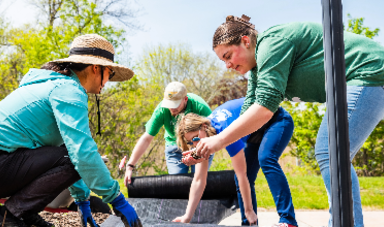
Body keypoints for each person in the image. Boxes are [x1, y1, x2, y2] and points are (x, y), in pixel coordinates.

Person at [194, 15, 384, 227]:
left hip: (368, 72)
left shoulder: (272, 43)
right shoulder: (258, 67)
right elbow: (250, 110)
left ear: (246, 41)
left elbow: (264, 109)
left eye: (228, 56)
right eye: (223, 61)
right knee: (332, 152)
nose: (227, 65)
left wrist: (219, 140)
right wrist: (208, 145)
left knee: (331, 151)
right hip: (361, 79)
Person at [0, 34, 141, 227]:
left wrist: (83, 201)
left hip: (8, 161)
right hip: (4, 162)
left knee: (68, 155)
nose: (109, 80)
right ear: (96, 68)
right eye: (111, 73)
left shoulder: (51, 83)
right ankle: (11, 215)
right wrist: (117, 199)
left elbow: (66, 152)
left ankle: (23, 212)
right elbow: (81, 154)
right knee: (77, 156)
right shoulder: (69, 91)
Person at [177, 98, 297, 226]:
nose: (195, 144)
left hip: (278, 120)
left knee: (266, 158)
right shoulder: (206, 134)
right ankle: (249, 224)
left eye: (195, 138)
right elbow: (199, 180)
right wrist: (187, 217)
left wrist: (249, 210)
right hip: (255, 133)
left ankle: (288, 220)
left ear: (204, 126)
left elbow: (242, 175)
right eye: (191, 142)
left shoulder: (225, 130)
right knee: (244, 177)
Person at [124, 82, 214, 182]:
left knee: (198, 179)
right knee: (177, 183)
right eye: (169, 104)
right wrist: (130, 166)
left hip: (198, 145)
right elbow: (146, 138)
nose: (172, 108)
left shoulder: (199, 106)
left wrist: (198, 151)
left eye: (175, 104)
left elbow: (214, 134)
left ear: (185, 99)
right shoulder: (161, 110)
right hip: (174, 147)